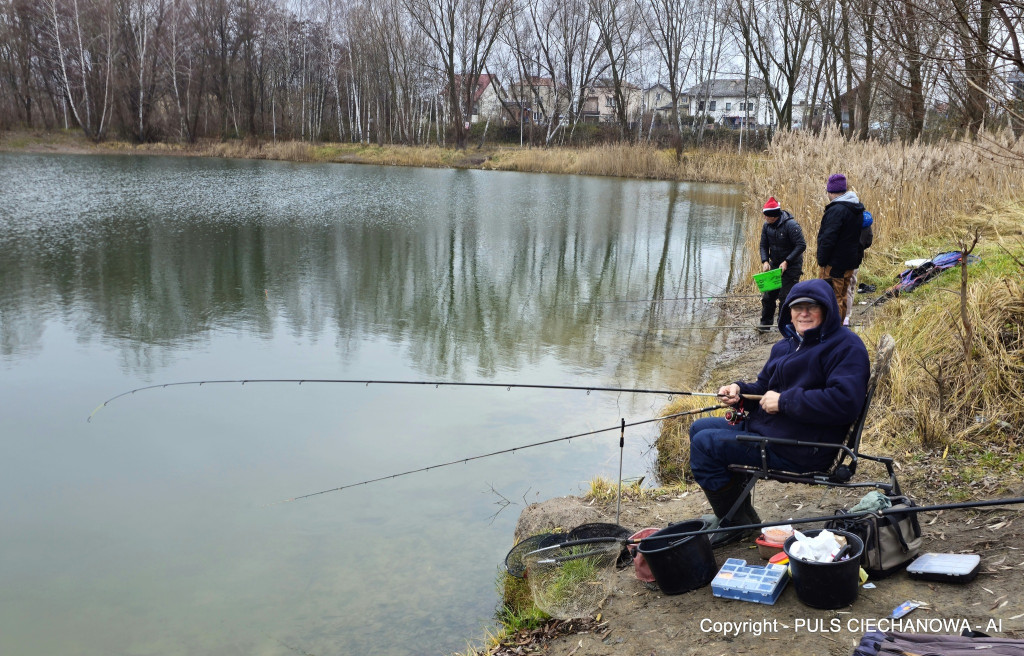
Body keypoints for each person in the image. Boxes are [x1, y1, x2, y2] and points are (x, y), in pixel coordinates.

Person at [688, 278, 870, 546]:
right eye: (797, 308)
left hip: (803, 446)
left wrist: (784, 402)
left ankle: (737, 523)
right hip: (772, 429)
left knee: (705, 445)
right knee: (698, 429)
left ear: (828, 310)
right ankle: (739, 514)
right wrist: (738, 391)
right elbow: (764, 388)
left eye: (812, 307)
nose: (803, 313)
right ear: (788, 312)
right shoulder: (786, 345)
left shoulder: (846, 347)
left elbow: (845, 402)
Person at [817, 174, 866, 320]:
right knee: (843, 296)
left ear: (831, 192)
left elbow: (828, 239)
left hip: (835, 264)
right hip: (850, 261)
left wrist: (822, 260)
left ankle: (833, 333)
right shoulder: (856, 208)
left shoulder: (836, 210)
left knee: (832, 298)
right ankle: (841, 329)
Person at [758, 196, 805, 331]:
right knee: (768, 297)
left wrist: (787, 261)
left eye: (767, 216)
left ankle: (783, 326)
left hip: (791, 267)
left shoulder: (791, 225)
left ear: (774, 216)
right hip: (774, 266)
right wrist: (765, 260)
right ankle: (765, 324)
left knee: (785, 298)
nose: (765, 218)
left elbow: (801, 245)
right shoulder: (766, 226)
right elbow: (763, 245)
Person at [844, 210, 874, 326]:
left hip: (844, 258)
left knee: (844, 288)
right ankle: (847, 316)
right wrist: (860, 248)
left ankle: (844, 317)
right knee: (851, 287)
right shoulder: (866, 220)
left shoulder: (846, 219)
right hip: (856, 259)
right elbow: (869, 241)